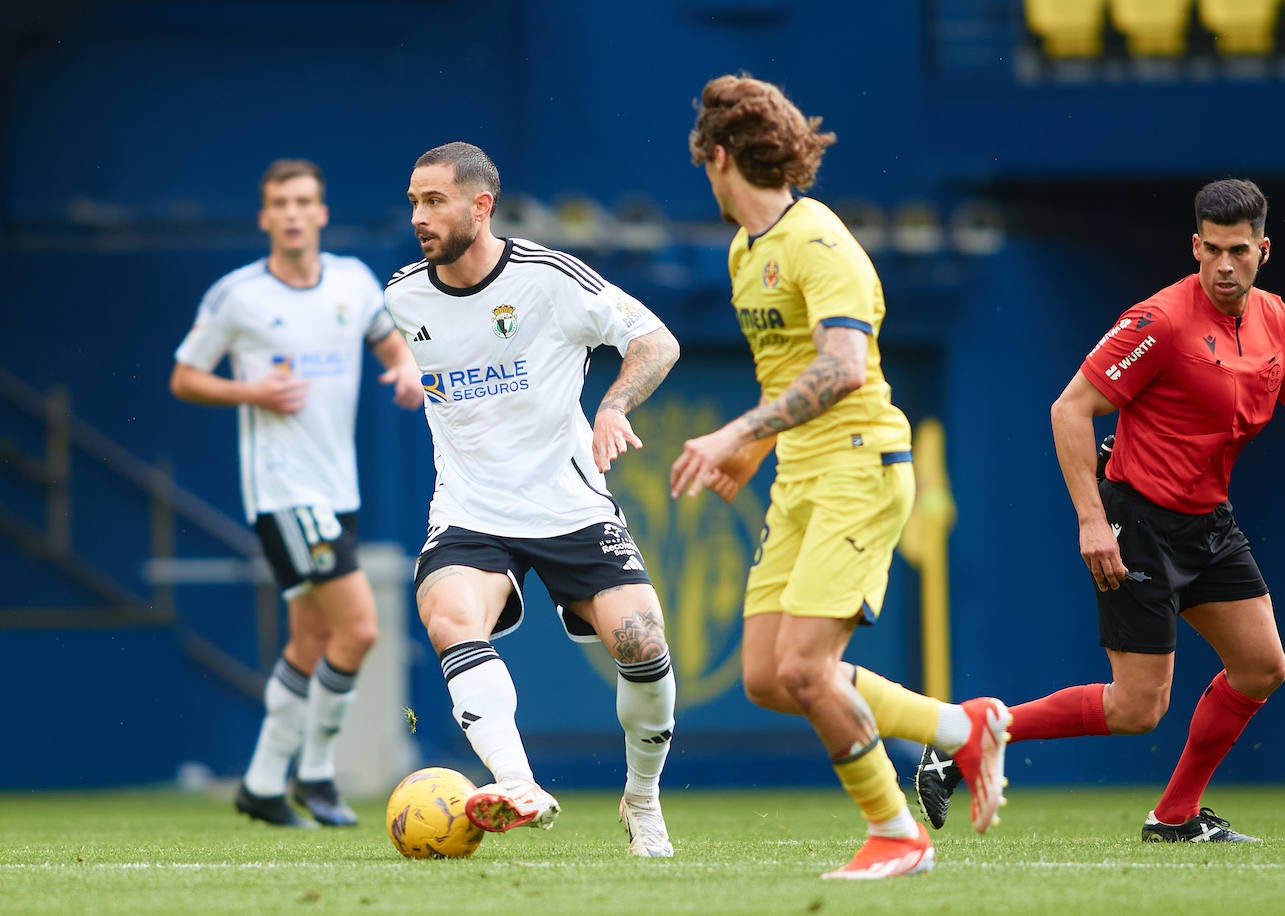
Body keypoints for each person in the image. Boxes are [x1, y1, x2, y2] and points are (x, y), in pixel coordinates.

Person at [916, 178, 1285, 842]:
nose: (1225, 266)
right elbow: (1069, 409)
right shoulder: (1160, 321)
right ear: (1195, 247)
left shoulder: (1279, 323)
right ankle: (967, 731)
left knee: (1264, 665)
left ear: (1264, 249)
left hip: (1208, 521)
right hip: (1137, 519)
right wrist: (1092, 520)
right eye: (1212, 250)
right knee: (1137, 707)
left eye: (1239, 251)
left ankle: (1175, 816)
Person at [669, 74, 1011, 880]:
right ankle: (962, 731)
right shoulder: (745, 251)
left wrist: (738, 432)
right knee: (765, 676)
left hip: (860, 466)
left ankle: (898, 834)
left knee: (803, 669)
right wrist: (756, 445)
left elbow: (845, 366)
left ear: (719, 158)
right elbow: (784, 370)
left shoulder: (817, 242)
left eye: (704, 163)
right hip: (799, 473)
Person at [383, 141, 681, 857]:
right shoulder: (402, 296)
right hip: (470, 511)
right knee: (450, 616)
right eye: (414, 202)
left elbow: (656, 340)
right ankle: (516, 786)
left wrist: (613, 407)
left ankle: (641, 799)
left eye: (435, 201)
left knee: (642, 641)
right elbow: (427, 350)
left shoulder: (549, 279)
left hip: (568, 505)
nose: (419, 216)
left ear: (481, 206)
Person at [170, 158, 423, 827]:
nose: (291, 212)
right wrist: (250, 390)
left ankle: (259, 784)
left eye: (303, 200)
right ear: (264, 217)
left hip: (337, 486)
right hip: (284, 490)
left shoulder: (352, 280)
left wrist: (404, 371)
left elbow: (390, 343)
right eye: (279, 202)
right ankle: (314, 774)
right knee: (361, 628)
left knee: (311, 641)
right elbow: (184, 377)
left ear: (321, 212)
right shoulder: (238, 297)